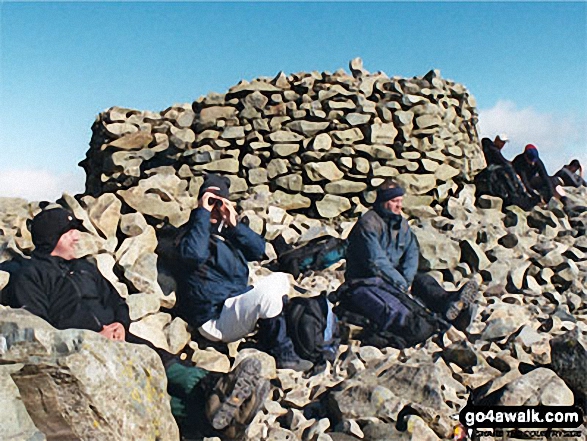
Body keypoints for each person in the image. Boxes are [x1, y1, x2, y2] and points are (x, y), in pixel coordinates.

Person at [2, 207, 269, 440]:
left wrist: (120, 324)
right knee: (149, 393)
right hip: (84, 353)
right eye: (70, 231)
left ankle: (218, 394)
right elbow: (38, 328)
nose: (77, 237)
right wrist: (94, 338)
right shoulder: (30, 276)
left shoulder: (87, 267)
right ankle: (221, 406)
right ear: (52, 237)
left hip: (122, 340)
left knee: (164, 362)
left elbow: (118, 301)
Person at [176, 174, 312, 372]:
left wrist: (234, 225)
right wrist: (202, 213)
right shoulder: (188, 234)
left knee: (280, 280)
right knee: (267, 295)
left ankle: (270, 339)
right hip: (213, 319)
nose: (214, 207)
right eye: (210, 201)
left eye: (218, 202)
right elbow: (194, 255)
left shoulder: (225, 232)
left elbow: (259, 251)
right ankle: (282, 353)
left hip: (233, 303)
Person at [337, 179, 479, 348]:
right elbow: (376, 262)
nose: (399, 206)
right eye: (394, 201)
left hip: (397, 277)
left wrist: (408, 279)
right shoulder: (367, 225)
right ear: (383, 202)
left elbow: (412, 252)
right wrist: (402, 283)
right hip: (366, 281)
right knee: (396, 304)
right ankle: (423, 322)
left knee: (424, 281)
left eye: (400, 201)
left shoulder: (401, 223)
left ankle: (448, 302)